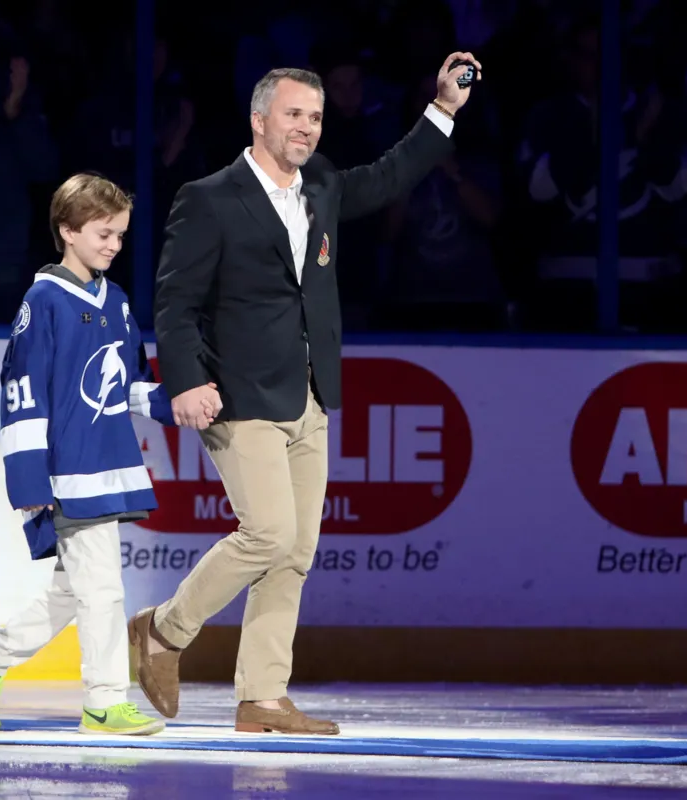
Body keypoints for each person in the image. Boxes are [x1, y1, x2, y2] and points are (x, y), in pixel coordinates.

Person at [129, 52, 482, 734]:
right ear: (258, 120)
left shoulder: (318, 183)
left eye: (315, 117)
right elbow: (174, 302)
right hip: (237, 392)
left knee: (295, 551)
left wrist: (442, 109)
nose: (307, 128)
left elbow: (388, 178)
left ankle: (261, 696)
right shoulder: (208, 198)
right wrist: (186, 377)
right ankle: (165, 633)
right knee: (266, 533)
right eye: (293, 115)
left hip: (311, 391)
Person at [0, 173, 219, 735]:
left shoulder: (117, 303)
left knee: (75, 589)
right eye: (103, 234)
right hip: (65, 473)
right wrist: (29, 487)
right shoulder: (42, 301)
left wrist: (178, 406)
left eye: (121, 236)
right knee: (101, 586)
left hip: (108, 466)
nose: (114, 246)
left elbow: (128, 384)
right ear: (67, 231)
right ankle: (103, 701)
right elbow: (22, 396)